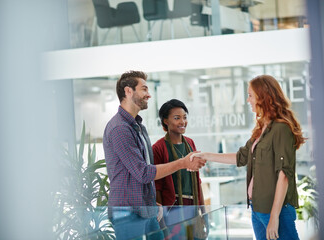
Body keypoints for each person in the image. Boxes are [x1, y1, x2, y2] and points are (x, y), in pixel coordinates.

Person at [191, 75, 306, 240]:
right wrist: (206, 155)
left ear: (263, 97)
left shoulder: (281, 129)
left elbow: (284, 175)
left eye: (250, 95)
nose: (248, 100)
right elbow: (241, 157)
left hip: (275, 211)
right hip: (257, 209)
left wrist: (274, 217)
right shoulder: (261, 129)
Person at [103, 71, 206, 239]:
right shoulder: (120, 129)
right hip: (127, 212)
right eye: (144, 89)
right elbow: (143, 173)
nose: (149, 95)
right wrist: (183, 163)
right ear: (128, 91)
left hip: (147, 208)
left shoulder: (138, 127)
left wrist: (151, 200)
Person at [152, 99, 208, 239]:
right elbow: (157, 186)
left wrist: (204, 211)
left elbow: (197, 180)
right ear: (165, 121)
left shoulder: (190, 143)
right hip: (173, 209)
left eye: (184, 117)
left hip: (193, 205)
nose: (182, 122)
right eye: (177, 118)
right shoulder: (158, 148)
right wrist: (163, 221)